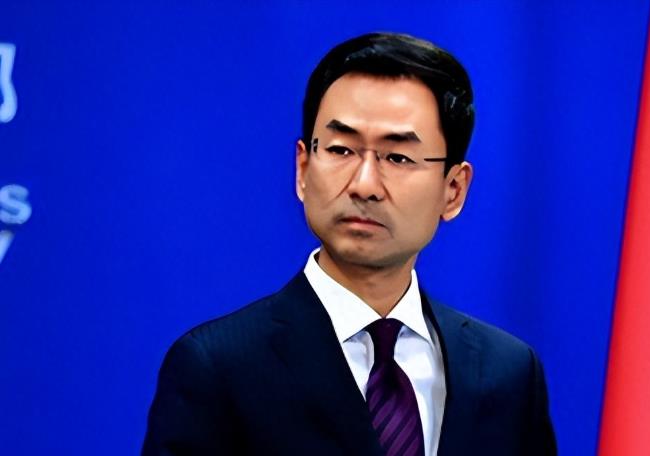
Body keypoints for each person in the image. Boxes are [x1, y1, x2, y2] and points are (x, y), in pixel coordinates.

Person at [142, 32, 556, 456]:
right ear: (303, 169)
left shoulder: (508, 372)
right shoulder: (219, 368)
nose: (364, 184)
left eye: (397, 157)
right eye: (341, 150)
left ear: (453, 190)